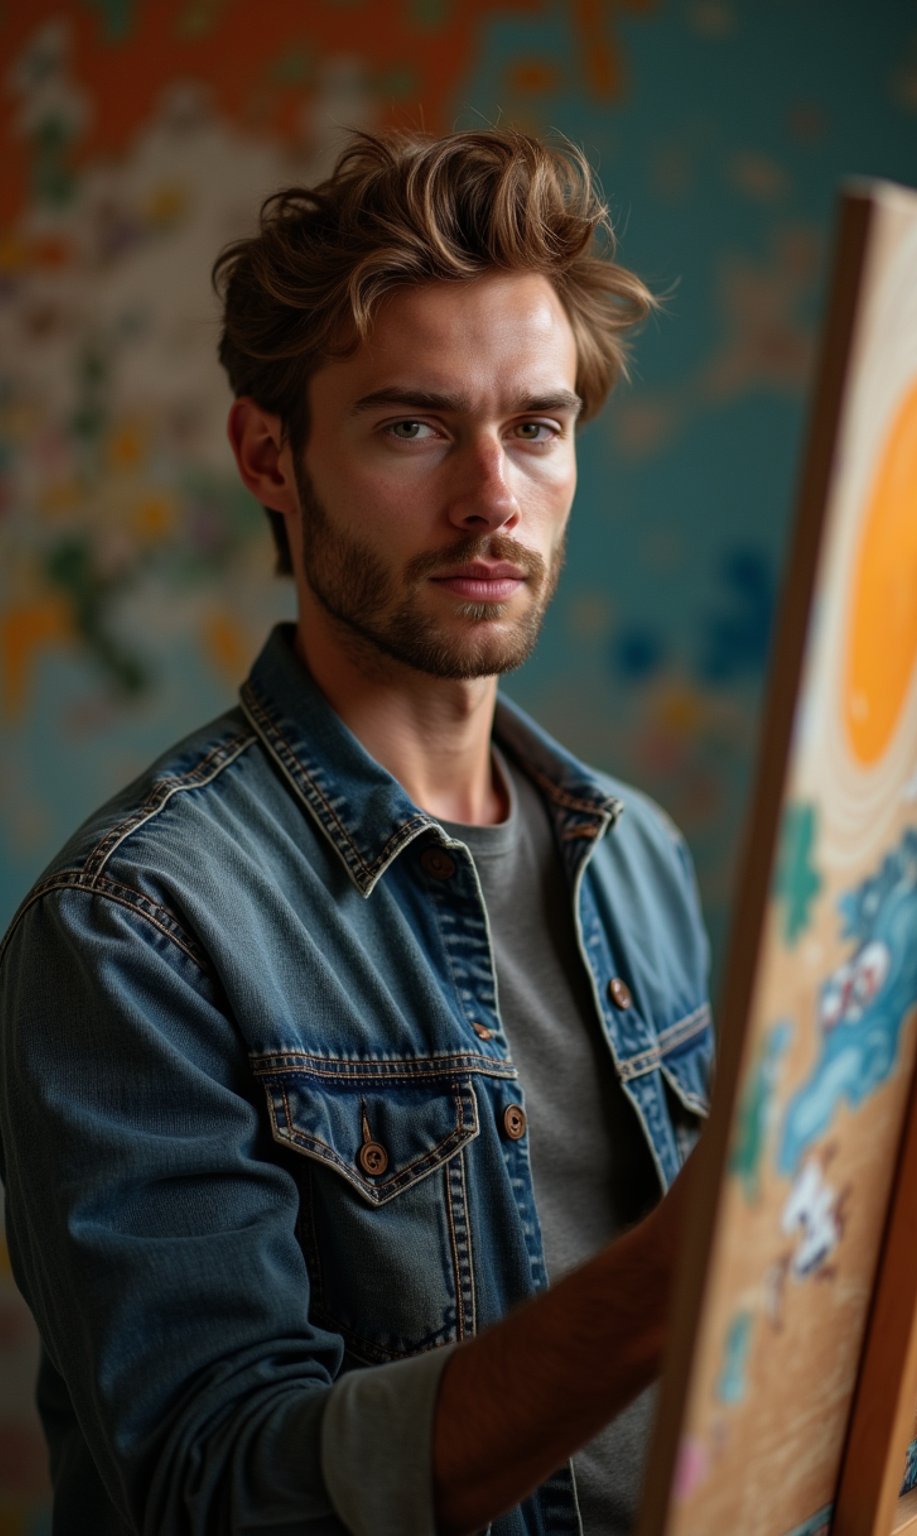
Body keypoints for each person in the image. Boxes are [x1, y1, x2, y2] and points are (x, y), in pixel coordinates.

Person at [0, 127, 714, 1535]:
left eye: (537, 425)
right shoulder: (133, 922)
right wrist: (678, 1285)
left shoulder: (638, 853)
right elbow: (215, 1490)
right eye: (413, 425)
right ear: (270, 454)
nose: (491, 497)